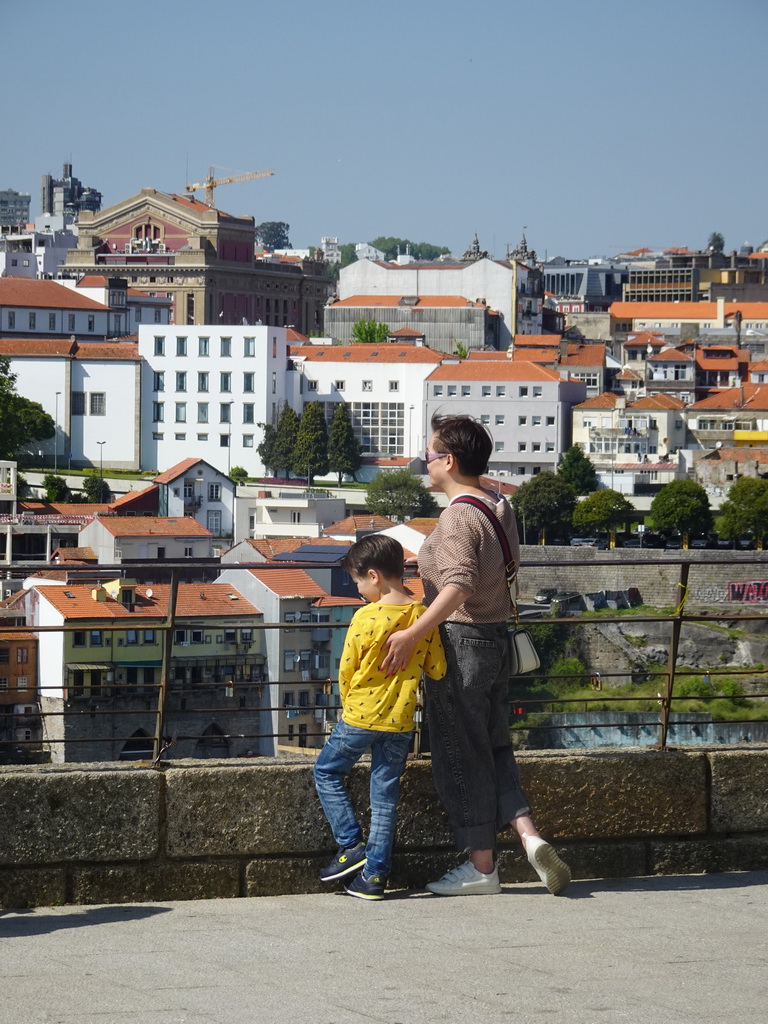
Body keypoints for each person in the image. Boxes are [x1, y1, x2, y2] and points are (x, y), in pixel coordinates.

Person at [381, 414, 571, 897]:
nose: (425, 463)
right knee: (495, 746)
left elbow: (460, 583)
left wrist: (412, 633)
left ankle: (482, 867)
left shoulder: (458, 515)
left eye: (429, 455)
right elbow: (482, 568)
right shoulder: (497, 505)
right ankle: (528, 837)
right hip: (495, 640)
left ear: (448, 460)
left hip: (460, 645)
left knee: (459, 754)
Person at [313, 534, 447, 901]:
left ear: (373, 576)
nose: (357, 590)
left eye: (357, 582)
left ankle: (350, 845)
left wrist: (348, 704)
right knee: (384, 797)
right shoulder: (421, 617)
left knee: (326, 771)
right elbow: (437, 670)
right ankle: (374, 877)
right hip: (401, 721)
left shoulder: (364, 617)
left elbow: (346, 669)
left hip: (360, 716)